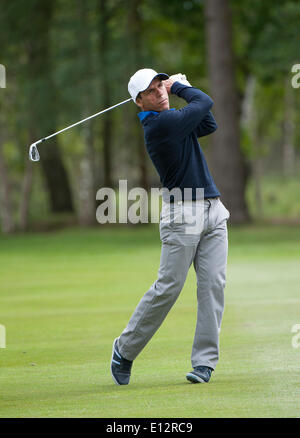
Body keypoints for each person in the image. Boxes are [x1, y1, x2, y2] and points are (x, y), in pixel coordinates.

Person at [110, 68, 230, 385]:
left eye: (161, 85)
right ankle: (124, 349)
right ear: (139, 102)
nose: (160, 92)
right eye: (152, 91)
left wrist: (180, 89)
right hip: (184, 214)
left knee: (213, 286)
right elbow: (204, 101)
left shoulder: (175, 120)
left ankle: (204, 363)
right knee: (169, 287)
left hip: (214, 208)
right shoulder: (158, 125)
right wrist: (181, 86)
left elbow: (208, 122)